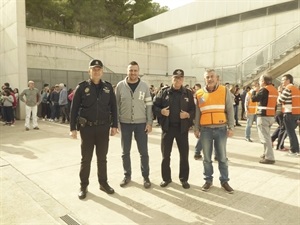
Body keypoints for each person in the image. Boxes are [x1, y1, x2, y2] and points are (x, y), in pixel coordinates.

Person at [70, 59, 118, 199]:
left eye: (99, 69)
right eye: (94, 69)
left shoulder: (108, 88)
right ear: (89, 71)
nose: (96, 71)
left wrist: (115, 125)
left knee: (102, 158)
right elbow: (74, 109)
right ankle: (83, 185)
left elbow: (114, 107)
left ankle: (103, 183)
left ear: (102, 71)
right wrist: (73, 128)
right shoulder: (81, 87)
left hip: (103, 128)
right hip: (87, 129)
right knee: (86, 159)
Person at [153, 69, 195, 189]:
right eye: (175, 78)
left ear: (183, 79)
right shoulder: (164, 92)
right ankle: (166, 178)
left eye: (180, 78)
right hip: (168, 128)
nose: (178, 80)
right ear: (172, 79)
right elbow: (154, 106)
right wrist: (161, 111)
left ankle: (184, 179)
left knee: (184, 155)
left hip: (182, 129)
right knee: (166, 155)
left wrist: (187, 115)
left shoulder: (188, 93)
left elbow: (193, 110)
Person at [194, 69, 234, 194]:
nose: (210, 79)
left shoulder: (224, 90)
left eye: (212, 77)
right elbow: (197, 112)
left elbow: (230, 109)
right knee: (206, 158)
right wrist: (196, 128)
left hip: (221, 129)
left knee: (222, 157)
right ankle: (208, 180)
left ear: (217, 78)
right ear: (204, 79)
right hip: (205, 130)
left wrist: (231, 126)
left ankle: (224, 181)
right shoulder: (199, 93)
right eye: (207, 77)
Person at [115, 61, 153, 189]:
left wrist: (149, 122)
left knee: (144, 152)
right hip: (125, 124)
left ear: (138, 71)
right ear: (127, 71)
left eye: (135, 70)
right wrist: (116, 122)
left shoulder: (144, 86)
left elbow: (149, 105)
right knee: (125, 152)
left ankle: (146, 177)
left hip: (141, 124)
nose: (133, 73)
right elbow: (116, 106)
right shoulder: (120, 86)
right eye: (131, 70)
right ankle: (127, 175)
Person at [252, 74, 278, 164]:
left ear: (263, 81)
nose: (259, 82)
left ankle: (269, 157)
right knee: (266, 136)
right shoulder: (274, 90)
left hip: (263, 116)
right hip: (271, 116)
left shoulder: (264, 90)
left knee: (265, 138)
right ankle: (265, 153)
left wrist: (254, 91)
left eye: (260, 80)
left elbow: (254, 99)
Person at [277, 74, 300, 156]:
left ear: (288, 80)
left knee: (291, 133)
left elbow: (280, 100)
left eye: (283, 80)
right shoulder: (296, 89)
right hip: (296, 113)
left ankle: (294, 150)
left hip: (289, 113)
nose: (282, 82)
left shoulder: (288, 89)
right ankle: (296, 149)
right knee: (292, 133)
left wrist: (279, 92)